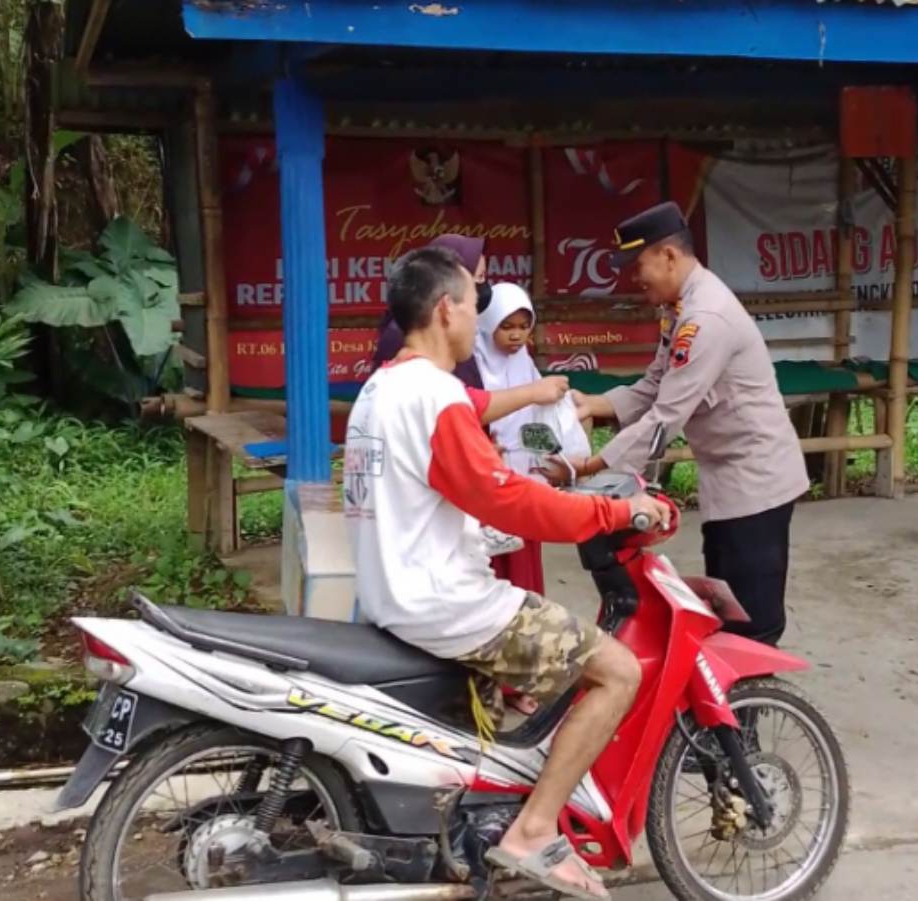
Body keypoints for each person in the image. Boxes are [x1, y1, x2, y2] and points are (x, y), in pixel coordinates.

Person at [344, 246, 669, 900]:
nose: (477, 314)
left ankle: (482, 820)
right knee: (617, 670)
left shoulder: (378, 389)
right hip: (447, 603)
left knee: (523, 686)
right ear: (446, 311)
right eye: (472, 300)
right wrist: (612, 510)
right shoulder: (437, 397)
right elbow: (506, 495)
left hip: (391, 591)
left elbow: (443, 497)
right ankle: (534, 829)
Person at [565, 202, 808, 647]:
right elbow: (656, 385)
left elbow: (666, 417)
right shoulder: (680, 308)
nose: (635, 278)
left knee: (750, 622)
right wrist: (593, 405)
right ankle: (728, 713)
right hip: (727, 477)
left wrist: (591, 466)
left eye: (639, 266)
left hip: (756, 482)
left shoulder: (705, 318)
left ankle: (748, 710)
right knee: (724, 609)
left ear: (669, 256)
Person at [474, 282, 592, 596]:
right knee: (491, 564)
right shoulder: (473, 364)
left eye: (524, 327)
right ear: (487, 325)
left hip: (524, 473)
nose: (516, 335)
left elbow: (537, 418)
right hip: (489, 473)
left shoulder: (524, 363)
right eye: (507, 326)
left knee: (523, 560)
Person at [371, 233, 493, 383]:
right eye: (478, 276)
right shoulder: (402, 334)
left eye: (484, 276)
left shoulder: (455, 334)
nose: (482, 285)